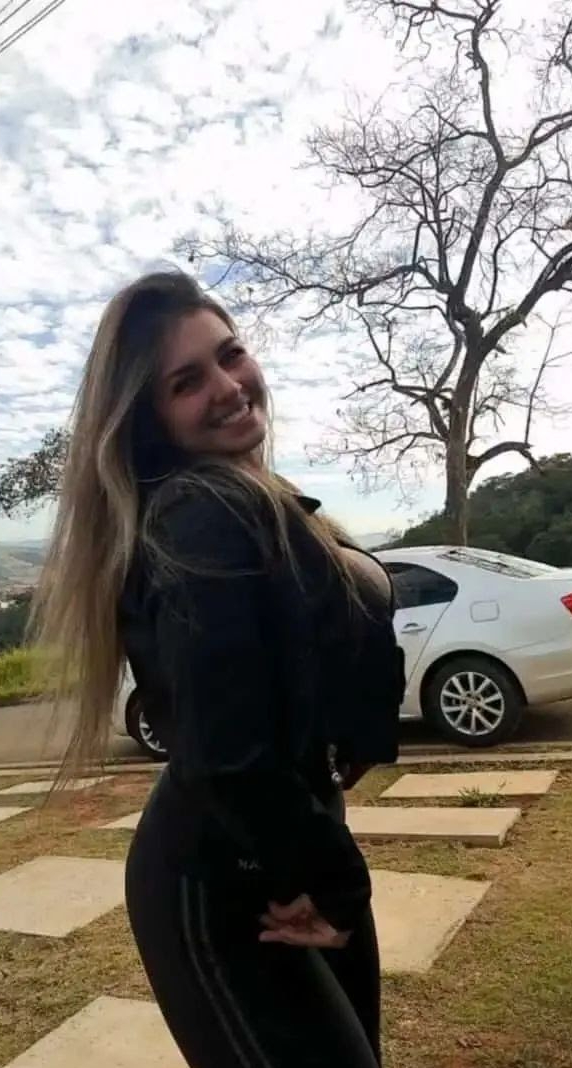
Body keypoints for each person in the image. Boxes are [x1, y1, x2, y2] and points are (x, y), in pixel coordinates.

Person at [33, 270, 405, 1068]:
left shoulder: (263, 497)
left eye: (230, 355)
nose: (229, 387)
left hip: (291, 846)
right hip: (218, 885)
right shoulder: (198, 513)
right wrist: (338, 880)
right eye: (187, 382)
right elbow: (223, 751)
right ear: (152, 420)